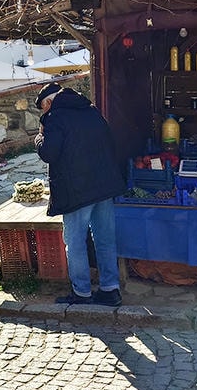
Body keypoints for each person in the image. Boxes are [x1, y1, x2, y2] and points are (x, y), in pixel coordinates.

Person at [34, 82, 127, 307]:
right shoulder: (91, 110)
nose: (44, 112)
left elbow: (49, 153)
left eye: (43, 107)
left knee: (75, 243)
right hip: (104, 185)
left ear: (49, 102)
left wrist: (39, 139)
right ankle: (110, 290)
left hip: (77, 190)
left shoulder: (55, 117)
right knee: (105, 240)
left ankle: (82, 292)